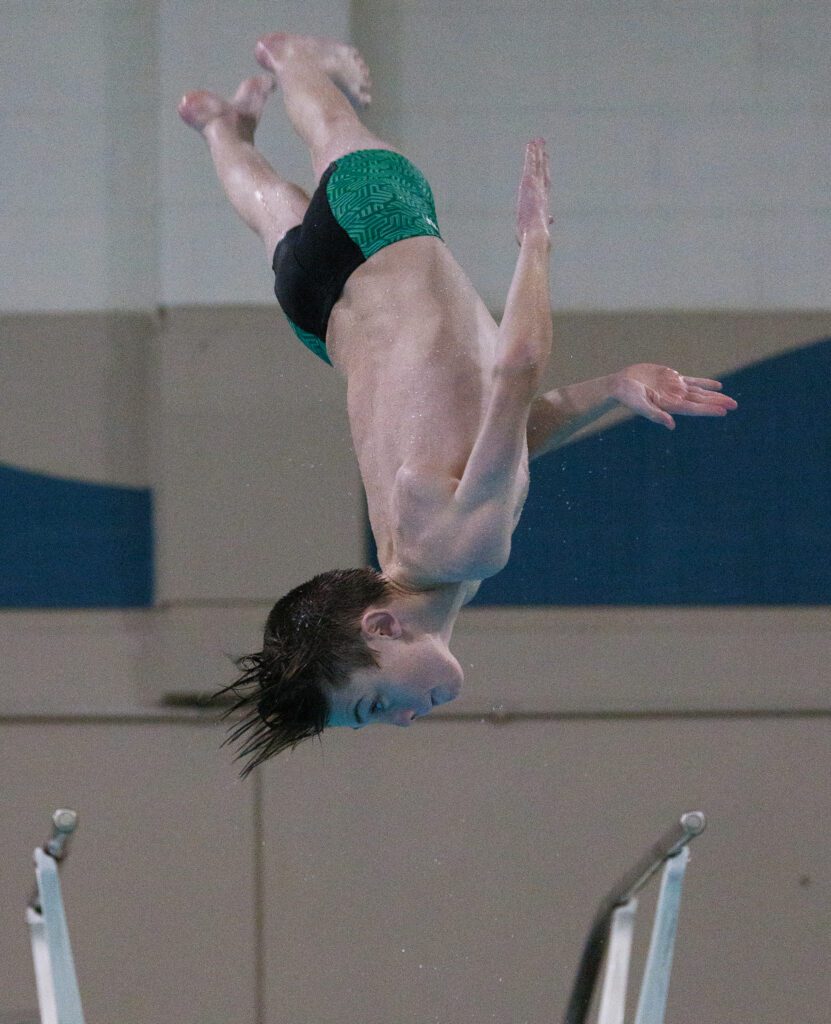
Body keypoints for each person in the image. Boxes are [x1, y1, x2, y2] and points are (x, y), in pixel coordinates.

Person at [178, 33, 737, 774]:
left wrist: (533, 243)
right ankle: (220, 126)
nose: (404, 720)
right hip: (319, 316)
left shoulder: (460, 551)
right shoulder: (411, 557)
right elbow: (494, 441)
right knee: (270, 209)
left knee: (332, 131)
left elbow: (518, 366)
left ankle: (292, 61)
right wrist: (611, 388)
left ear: (381, 626)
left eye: (378, 704)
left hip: (383, 229)